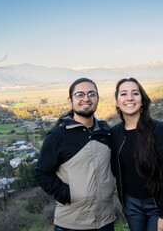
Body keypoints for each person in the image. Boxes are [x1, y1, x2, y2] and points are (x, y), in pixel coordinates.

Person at [35, 78, 116, 231]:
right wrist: (68, 194)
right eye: (80, 94)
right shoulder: (58, 135)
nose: (86, 98)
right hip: (71, 223)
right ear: (70, 99)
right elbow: (42, 173)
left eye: (91, 94)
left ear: (97, 98)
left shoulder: (106, 132)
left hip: (106, 221)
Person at [111, 78, 163, 231]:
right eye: (123, 94)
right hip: (131, 205)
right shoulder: (115, 133)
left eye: (135, 93)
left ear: (142, 101)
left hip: (158, 205)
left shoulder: (158, 129)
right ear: (117, 102)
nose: (129, 98)